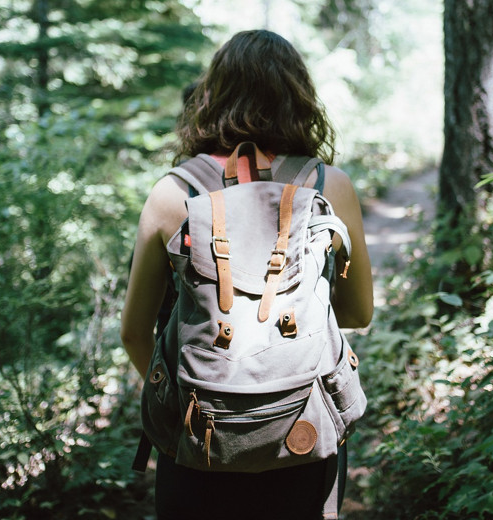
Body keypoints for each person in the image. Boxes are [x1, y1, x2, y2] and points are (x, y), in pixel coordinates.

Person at [121, 29, 373, 520]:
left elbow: (135, 332)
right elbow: (358, 313)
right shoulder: (329, 186)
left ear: (212, 97)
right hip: (303, 433)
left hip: (198, 440)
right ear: (298, 98)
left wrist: (189, 402)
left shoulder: (173, 194)